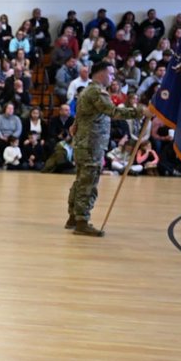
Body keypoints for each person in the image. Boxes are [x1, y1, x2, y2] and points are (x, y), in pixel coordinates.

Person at [65, 62, 144, 236]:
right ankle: (82, 222)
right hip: (91, 145)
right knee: (88, 183)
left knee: (81, 181)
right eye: (110, 73)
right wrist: (139, 112)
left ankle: (73, 217)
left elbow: (78, 118)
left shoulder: (87, 90)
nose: (112, 77)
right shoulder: (96, 92)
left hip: (85, 144)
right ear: (100, 73)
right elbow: (113, 112)